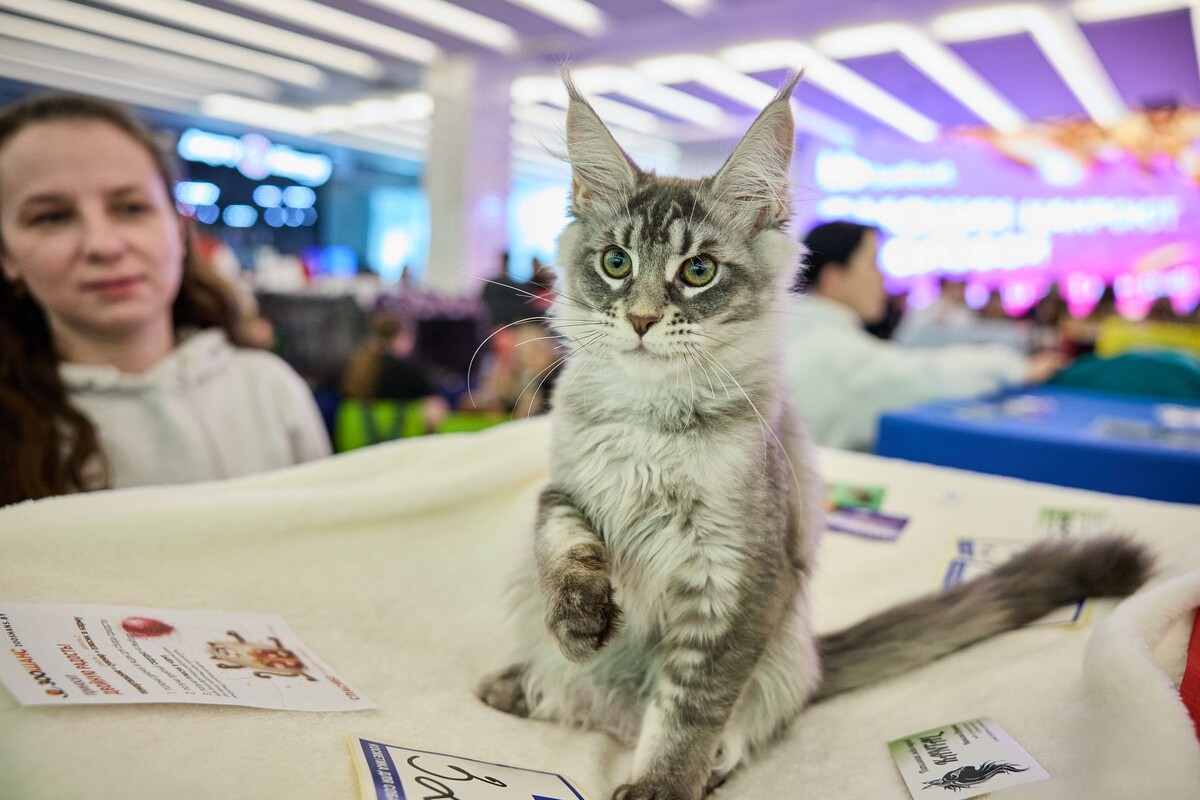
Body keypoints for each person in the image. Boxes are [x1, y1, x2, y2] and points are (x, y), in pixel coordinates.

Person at [0, 93, 330, 506]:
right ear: (6, 255)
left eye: (131, 208)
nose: (103, 245)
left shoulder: (269, 391)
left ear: (179, 230)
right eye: (51, 216)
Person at [785, 222, 1064, 451]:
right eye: (872, 265)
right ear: (834, 277)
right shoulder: (833, 351)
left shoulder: (793, 332)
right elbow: (928, 376)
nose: (882, 279)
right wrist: (1015, 367)